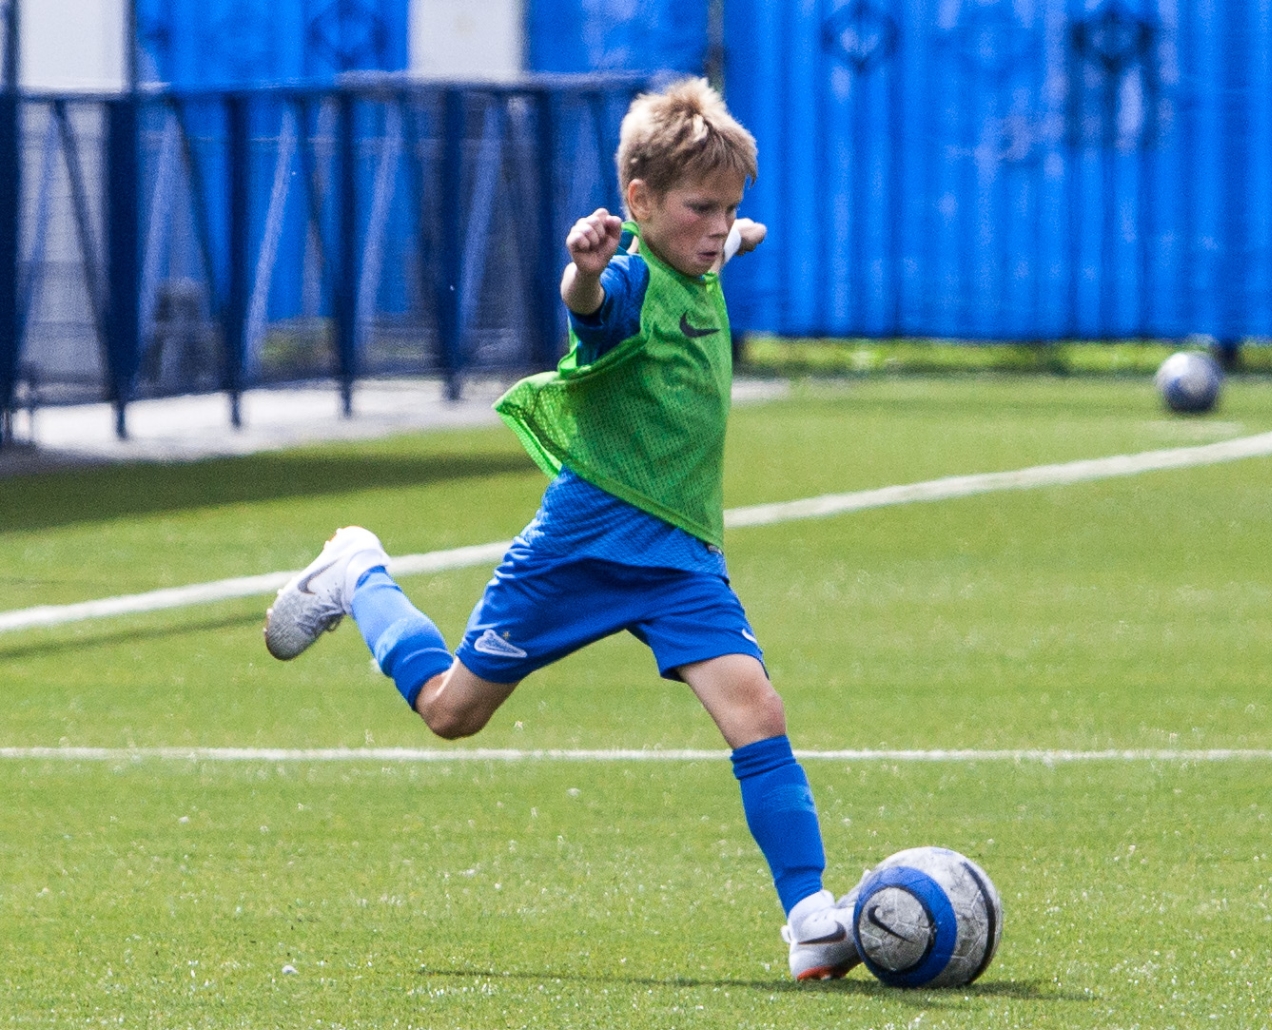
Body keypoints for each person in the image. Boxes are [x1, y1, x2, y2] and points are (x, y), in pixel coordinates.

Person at [262, 78, 860, 981]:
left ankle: (810, 915)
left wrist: (736, 230)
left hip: (679, 555)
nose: (716, 226)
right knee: (451, 712)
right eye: (701, 208)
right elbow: (589, 305)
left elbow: (725, 238)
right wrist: (583, 266)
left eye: (728, 209)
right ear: (638, 203)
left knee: (757, 708)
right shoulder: (626, 281)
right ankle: (358, 573)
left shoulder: (703, 251)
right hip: (582, 543)